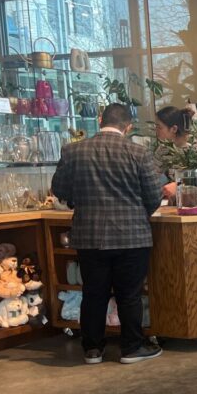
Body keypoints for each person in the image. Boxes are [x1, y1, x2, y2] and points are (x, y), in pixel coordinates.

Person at [51, 103, 164, 365]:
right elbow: (153, 195)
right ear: (128, 126)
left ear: (100, 120)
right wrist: (139, 213)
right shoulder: (138, 152)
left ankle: (92, 349)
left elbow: (60, 189)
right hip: (132, 235)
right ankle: (131, 348)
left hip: (89, 235)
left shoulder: (73, 151)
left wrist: (77, 201)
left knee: (93, 293)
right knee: (129, 294)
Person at [154, 104, 197, 200]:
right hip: (177, 204)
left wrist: (180, 185)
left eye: (159, 127)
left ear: (174, 129)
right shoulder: (163, 150)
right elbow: (152, 178)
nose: (156, 130)